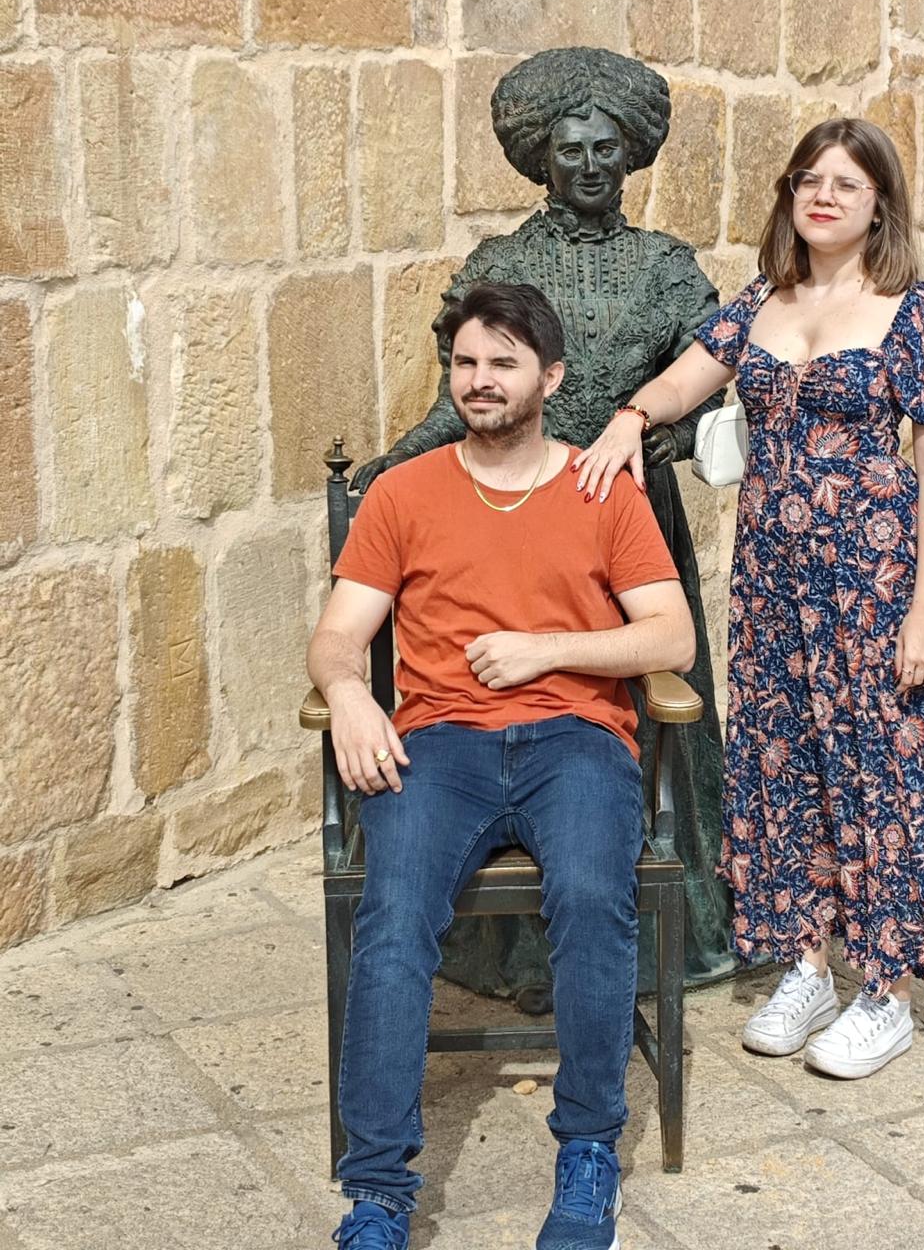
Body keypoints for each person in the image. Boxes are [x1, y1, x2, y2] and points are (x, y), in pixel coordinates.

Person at [575, 116, 924, 1081]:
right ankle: (807, 965)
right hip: (772, 584)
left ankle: (887, 991)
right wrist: (631, 417)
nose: (824, 197)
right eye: (809, 180)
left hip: (874, 584)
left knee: (884, 774)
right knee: (783, 765)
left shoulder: (914, 310)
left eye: (846, 183)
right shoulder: (762, 297)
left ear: (879, 203)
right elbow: (686, 380)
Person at [308, 280, 694, 1250]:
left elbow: (672, 636)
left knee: (594, 899)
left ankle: (588, 1151)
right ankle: (377, 1194)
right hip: (441, 742)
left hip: (577, 740)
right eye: (466, 362)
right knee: (394, 917)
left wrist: (545, 649)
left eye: (502, 363)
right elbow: (339, 635)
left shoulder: (600, 490)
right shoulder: (404, 493)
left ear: (550, 378)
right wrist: (348, 693)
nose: (479, 380)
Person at [351, 47, 732, 1009]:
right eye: (572, 149)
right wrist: (389, 472)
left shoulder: (666, 269)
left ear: (630, 153)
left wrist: (649, 432)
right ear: (543, 158)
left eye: (607, 147)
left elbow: (712, 390)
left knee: (648, 707)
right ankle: (517, 953)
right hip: (510, 523)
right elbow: (462, 402)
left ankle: (666, 937)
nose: (591, 164)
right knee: (511, 711)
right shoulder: (501, 266)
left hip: (625, 515)